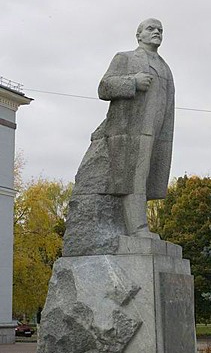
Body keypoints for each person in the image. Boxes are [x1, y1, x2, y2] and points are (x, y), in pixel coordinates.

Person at [64, 18, 175, 252]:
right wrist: (132, 82)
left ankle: (139, 225)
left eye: (160, 30)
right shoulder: (124, 58)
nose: (157, 32)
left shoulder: (165, 66)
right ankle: (137, 229)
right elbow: (104, 87)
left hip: (157, 132)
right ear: (139, 35)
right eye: (151, 29)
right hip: (131, 132)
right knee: (134, 177)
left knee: (144, 178)